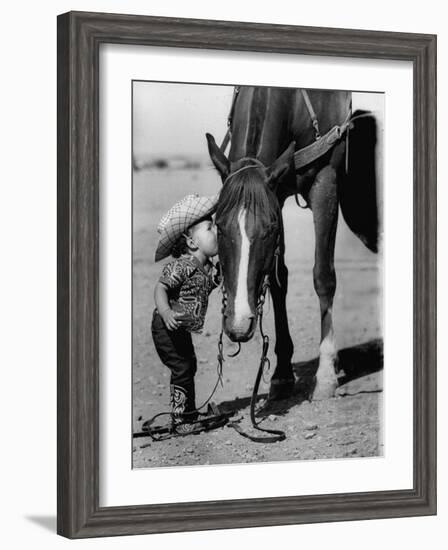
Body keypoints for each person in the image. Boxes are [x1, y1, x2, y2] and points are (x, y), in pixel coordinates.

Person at [151, 193, 221, 434]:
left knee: (189, 365)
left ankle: (187, 413)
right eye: (211, 228)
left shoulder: (208, 268)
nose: (217, 232)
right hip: (166, 325)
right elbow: (161, 288)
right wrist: (166, 311)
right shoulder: (183, 266)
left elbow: (218, 280)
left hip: (180, 328)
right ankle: (180, 420)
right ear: (192, 242)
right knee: (182, 367)